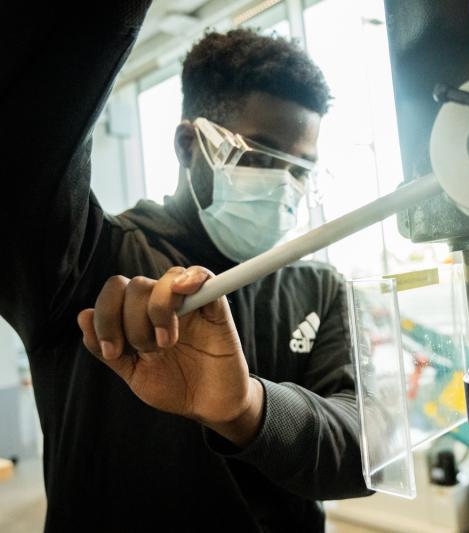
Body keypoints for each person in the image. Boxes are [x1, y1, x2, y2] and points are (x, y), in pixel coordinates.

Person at [0, 3, 370, 531]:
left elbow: (364, 452)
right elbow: (25, 134)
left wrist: (246, 409)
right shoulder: (86, 261)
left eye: (300, 169)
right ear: (187, 146)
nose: (283, 185)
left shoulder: (319, 288)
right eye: (261, 157)